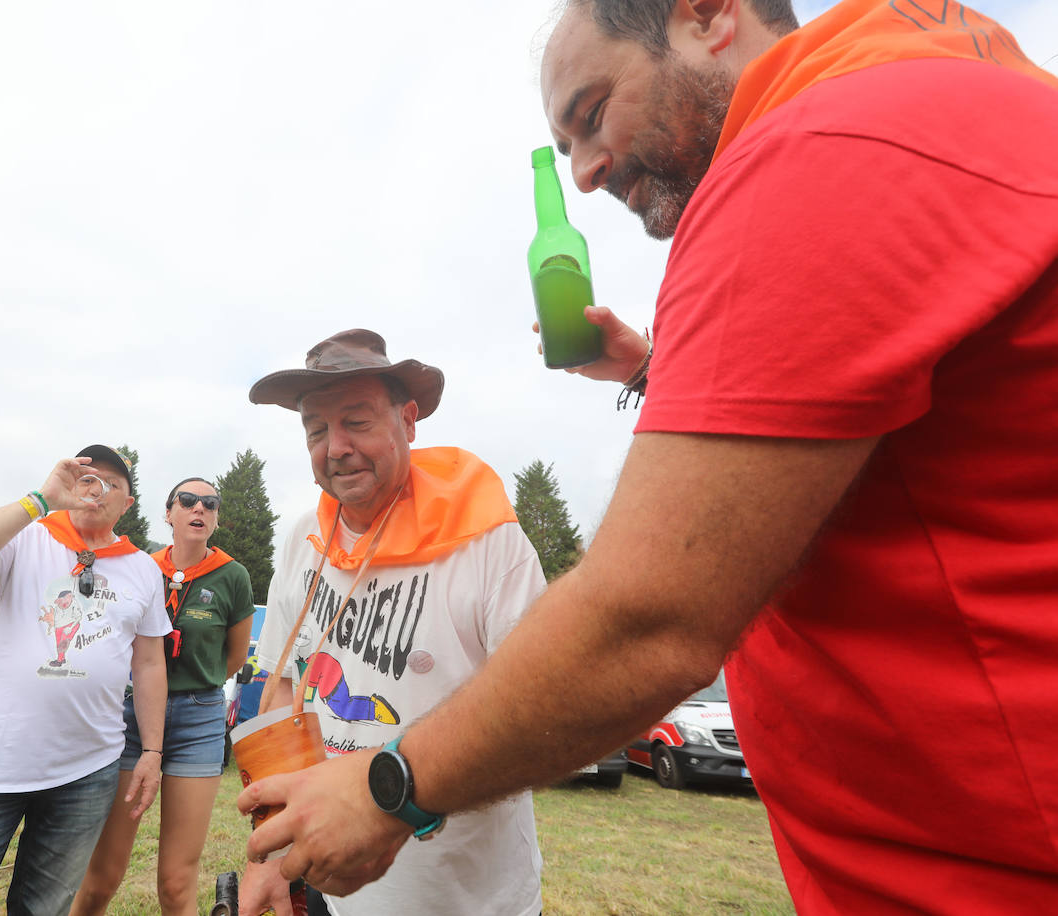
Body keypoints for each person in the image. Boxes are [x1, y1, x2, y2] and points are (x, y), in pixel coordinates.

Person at [237, 1, 1058, 912]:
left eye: (592, 113)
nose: (583, 174)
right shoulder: (924, 97)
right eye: (314, 429)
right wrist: (662, 373)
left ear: (707, 13)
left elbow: (645, 621)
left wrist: (387, 790)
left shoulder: (817, 147)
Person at [239, 329, 549, 916]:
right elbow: (280, 690)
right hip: (333, 893)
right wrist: (274, 856)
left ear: (408, 420)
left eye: (356, 422)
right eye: (316, 430)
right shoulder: (304, 538)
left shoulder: (486, 541)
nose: (335, 448)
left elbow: (540, 713)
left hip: (466, 899)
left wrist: (393, 800)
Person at [0, 445, 172, 916]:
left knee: (43, 909)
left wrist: (152, 750)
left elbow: (150, 663)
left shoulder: (144, 569)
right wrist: (39, 499)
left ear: (127, 504)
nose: (97, 490)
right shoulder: (28, 538)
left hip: (87, 770)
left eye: (111, 484)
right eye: (87, 478)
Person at [72, 476, 256, 916]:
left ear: (215, 518)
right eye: (188, 501)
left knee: (176, 884)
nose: (199, 509)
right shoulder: (139, 566)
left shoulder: (233, 576)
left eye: (209, 504)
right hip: (131, 718)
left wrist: (189, 685)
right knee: (101, 876)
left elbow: (232, 659)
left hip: (199, 719)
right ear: (168, 512)